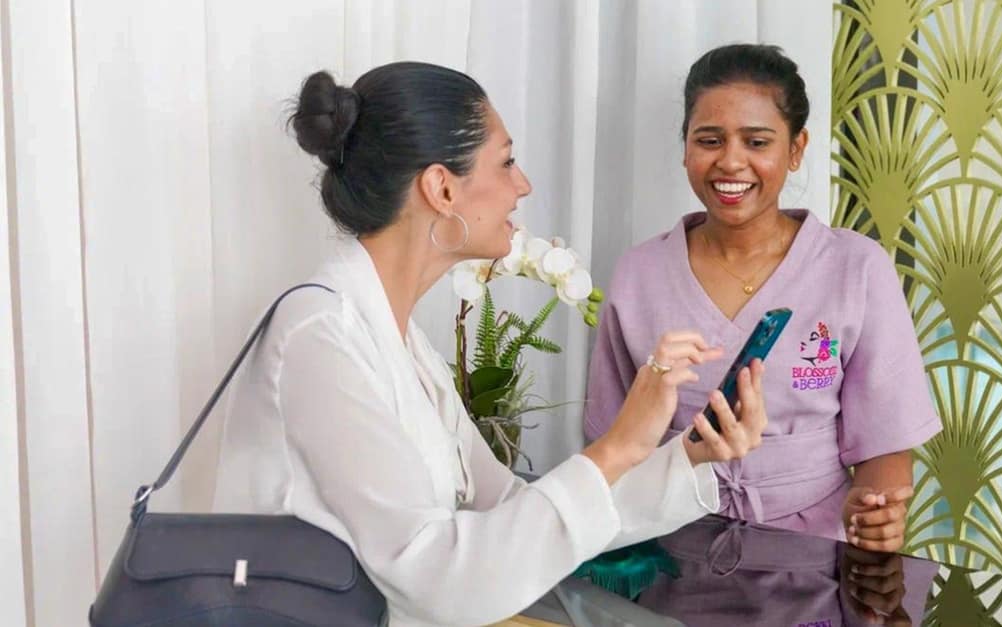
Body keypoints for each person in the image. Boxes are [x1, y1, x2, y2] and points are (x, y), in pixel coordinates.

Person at [212, 62, 768, 627]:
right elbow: (440, 583)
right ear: (441, 188)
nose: (522, 185)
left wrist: (689, 455)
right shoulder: (320, 337)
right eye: (505, 162)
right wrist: (618, 445)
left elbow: (512, 513)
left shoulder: (401, 343)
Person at [584, 44, 942, 552]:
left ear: (796, 149)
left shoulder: (856, 269)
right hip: (667, 550)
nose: (731, 161)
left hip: (813, 555)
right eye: (709, 140)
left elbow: (886, 443)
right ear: (685, 148)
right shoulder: (638, 275)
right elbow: (609, 451)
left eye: (757, 141)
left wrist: (874, 512)